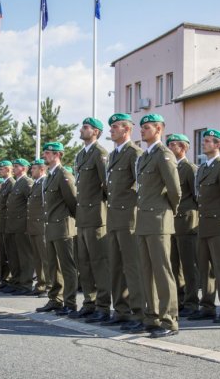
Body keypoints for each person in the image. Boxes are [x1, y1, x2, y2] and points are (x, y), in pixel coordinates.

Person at [134, 114, 182, 338]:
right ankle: (151, 316)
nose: (142, 130)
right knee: (146, 271)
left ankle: (168, 319)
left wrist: (168, 212)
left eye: (147, 127)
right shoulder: (145, 156)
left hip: (159, 219)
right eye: (142, 127)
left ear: (159, 129)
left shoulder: (164, 154)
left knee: (162, 271)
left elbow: (175, 190)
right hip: (143, 220)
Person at [105, 113, 146, 330]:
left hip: (129, 217)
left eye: (115, 127)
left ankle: (139, 312)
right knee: (116, 266)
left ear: (126, 130)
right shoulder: (112, 155)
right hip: (113, 218)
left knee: (132, 266)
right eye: (111, 127)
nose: (111, 130)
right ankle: (121, 310)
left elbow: (141, 187)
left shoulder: (134, 153)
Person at [194, 129, 220, 323]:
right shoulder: (202, 168)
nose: (204, 144)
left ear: (219, 145)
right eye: (204, 141)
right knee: (205, 268)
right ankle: (207, 306)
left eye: (209, 141)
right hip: (204, 224)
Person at [72, 117, 111, 323]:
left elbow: (106, 186)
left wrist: (101, 209)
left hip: (96, 216)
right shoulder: (80, 155)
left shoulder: (100, 154)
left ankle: (103, 306)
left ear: (95, 132)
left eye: (85, 127)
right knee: (84, 263)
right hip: (83, 217)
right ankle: (89, 302)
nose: (82, 129)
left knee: (99, 262)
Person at [35, 142, 78, 315]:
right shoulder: (49, 176)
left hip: (63, 226)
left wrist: (72, 223)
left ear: (58, 155)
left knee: (67, 266)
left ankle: (70, 302)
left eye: (48, 153)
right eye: (45, 152)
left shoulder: (63, 174)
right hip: (51, 226)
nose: (45, 155)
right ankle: (56, 299)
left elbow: (72, 201)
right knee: (53, 266)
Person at [166, 134, 200, 319]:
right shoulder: (169, 167)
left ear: (183, 148)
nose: (170, 147)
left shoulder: (189, 168)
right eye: (169, 144)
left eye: (173, 145)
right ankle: (178, 300)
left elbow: (196, 197)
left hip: (187, 222)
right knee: (174, 265)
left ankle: (192, 301)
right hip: (171, 222)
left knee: (189, 265)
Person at [4, 158, 35, 296]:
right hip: (13, 225)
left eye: (16, 166)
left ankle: (26, 283)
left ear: (23, 168)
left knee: (25, 256)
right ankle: (16, 281)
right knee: (14, 256)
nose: (13, 168)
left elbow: (32, 203)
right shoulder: (17, 183)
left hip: (22, 225)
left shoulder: (27, 182)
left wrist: (28, 223)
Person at [27, 159, 49, 297]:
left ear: (41, 169)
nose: (31, 171)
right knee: (37, 258)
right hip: (33, 227)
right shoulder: (36, 184)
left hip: (41, 226)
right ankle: (40, 284)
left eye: (33, 169)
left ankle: (49, 285)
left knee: (46, 258)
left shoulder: (44, 182)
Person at [0, 160, 15, 291]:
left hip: (9, 223)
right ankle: (5, 279)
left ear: (8, 170)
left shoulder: (12, 183)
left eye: (1, 169)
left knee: (10, 254)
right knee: (3, 254)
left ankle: (11, 280)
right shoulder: (5, 184)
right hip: (3, 224)